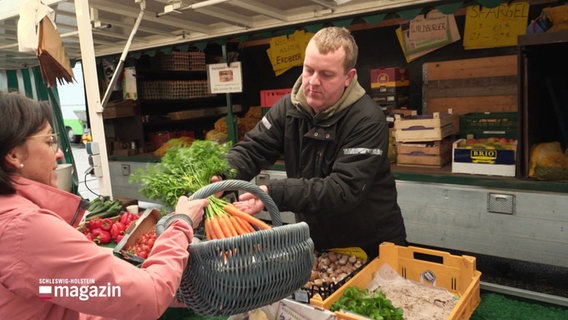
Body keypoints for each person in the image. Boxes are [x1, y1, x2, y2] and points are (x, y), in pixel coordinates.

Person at [0, 92, 208, 320]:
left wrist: (108, 307)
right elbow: (149, 298)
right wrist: (180, 224)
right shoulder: (25, 228)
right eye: (49, 141)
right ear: (13, 153)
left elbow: (50, 293)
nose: (59, 153)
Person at [226, 27, 407, 260]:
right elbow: (253, 149)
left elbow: (342, 190)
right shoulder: (288, 108)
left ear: (348, 77)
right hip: (316, 242)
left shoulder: (366, 119)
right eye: (308, 70)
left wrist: (273, 193)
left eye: (326, 74)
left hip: (369, 246)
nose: (312, 82)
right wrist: (222, 176)